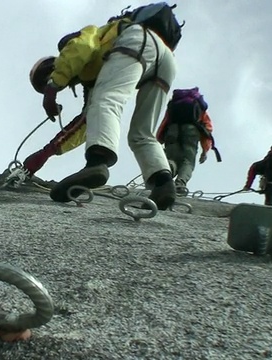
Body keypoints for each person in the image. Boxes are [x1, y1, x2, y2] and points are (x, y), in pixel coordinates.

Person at [30, 3, 183, 210]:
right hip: (165, 59)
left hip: (137, 40)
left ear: (52, 65)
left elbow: (81, 48)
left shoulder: (72, 43)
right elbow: (85, 124)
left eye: (46, 78)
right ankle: (163, 183)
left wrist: (53, 86)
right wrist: (47, 152)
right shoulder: (93, 79)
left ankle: (97, 164)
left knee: (107, 101)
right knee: (141, 132)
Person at [155, 87, 221, 194]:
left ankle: (165, 177)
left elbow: (165, 121)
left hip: (172, 130)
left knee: (171, 158)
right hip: (191, 131)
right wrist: (205, 150)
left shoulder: (173, 104)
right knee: (188, 162)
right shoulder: (199, 106)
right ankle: (180, 185)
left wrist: (159, 140)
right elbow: (207, 129)